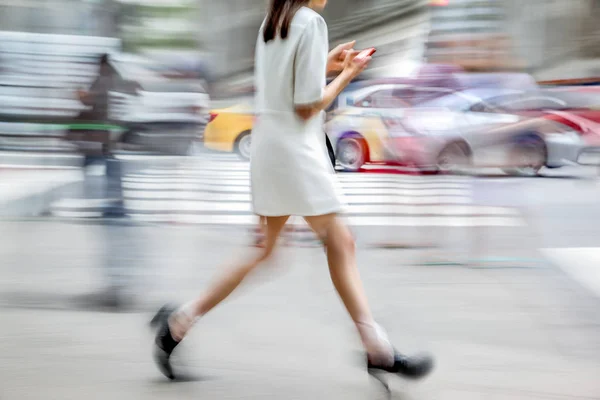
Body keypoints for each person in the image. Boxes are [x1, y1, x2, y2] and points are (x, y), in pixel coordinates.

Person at [150, 0, 434, 382]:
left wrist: (325, 64)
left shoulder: (274, 21)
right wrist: (347, 74)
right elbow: (305, 106)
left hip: (271, 149)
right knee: (339, 243)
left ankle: (178, 324)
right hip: (297, 153)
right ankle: (377, 349)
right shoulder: (310, 22)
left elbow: (286, 85)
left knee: (267, 249)